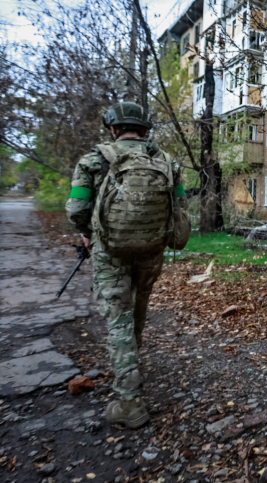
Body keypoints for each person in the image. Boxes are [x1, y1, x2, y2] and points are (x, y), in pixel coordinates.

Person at [66, 101, 187, 429]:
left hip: (110, 251)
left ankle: (129, 401)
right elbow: (180, 204)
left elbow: (76, 208)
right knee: (139, 307)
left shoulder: (93, 160)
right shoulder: (167, 161)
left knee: (118, 316)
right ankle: (131, 363)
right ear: (145, 129)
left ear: (113, 128)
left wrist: (88, 234)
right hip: (152, 249)